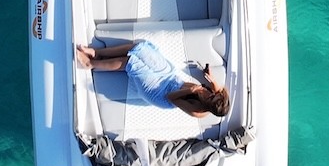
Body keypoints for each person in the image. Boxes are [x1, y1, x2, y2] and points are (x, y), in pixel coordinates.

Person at [74, 37, 230, 118]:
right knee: (139, 48)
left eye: (211, 98)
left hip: (161, 93)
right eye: (215, 94)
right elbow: (216, 89)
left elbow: (171, 98)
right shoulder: (216, 95)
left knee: (131, 63)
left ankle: (90, 64)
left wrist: (193, 90)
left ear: (209, 106)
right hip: (171, 78)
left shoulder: (197, 111)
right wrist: (211, 78)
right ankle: (97, 53)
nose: (212, 94)